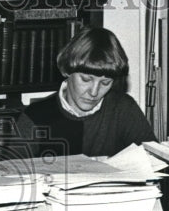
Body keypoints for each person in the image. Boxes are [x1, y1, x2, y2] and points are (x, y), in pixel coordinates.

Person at [17, 27, 155, 158]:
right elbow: (9, 173)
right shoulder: (35, 116)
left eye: (105, 83)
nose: (94, 92)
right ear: (67, 71)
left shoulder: (124, 109)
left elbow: (154, 163)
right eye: (86, 79)